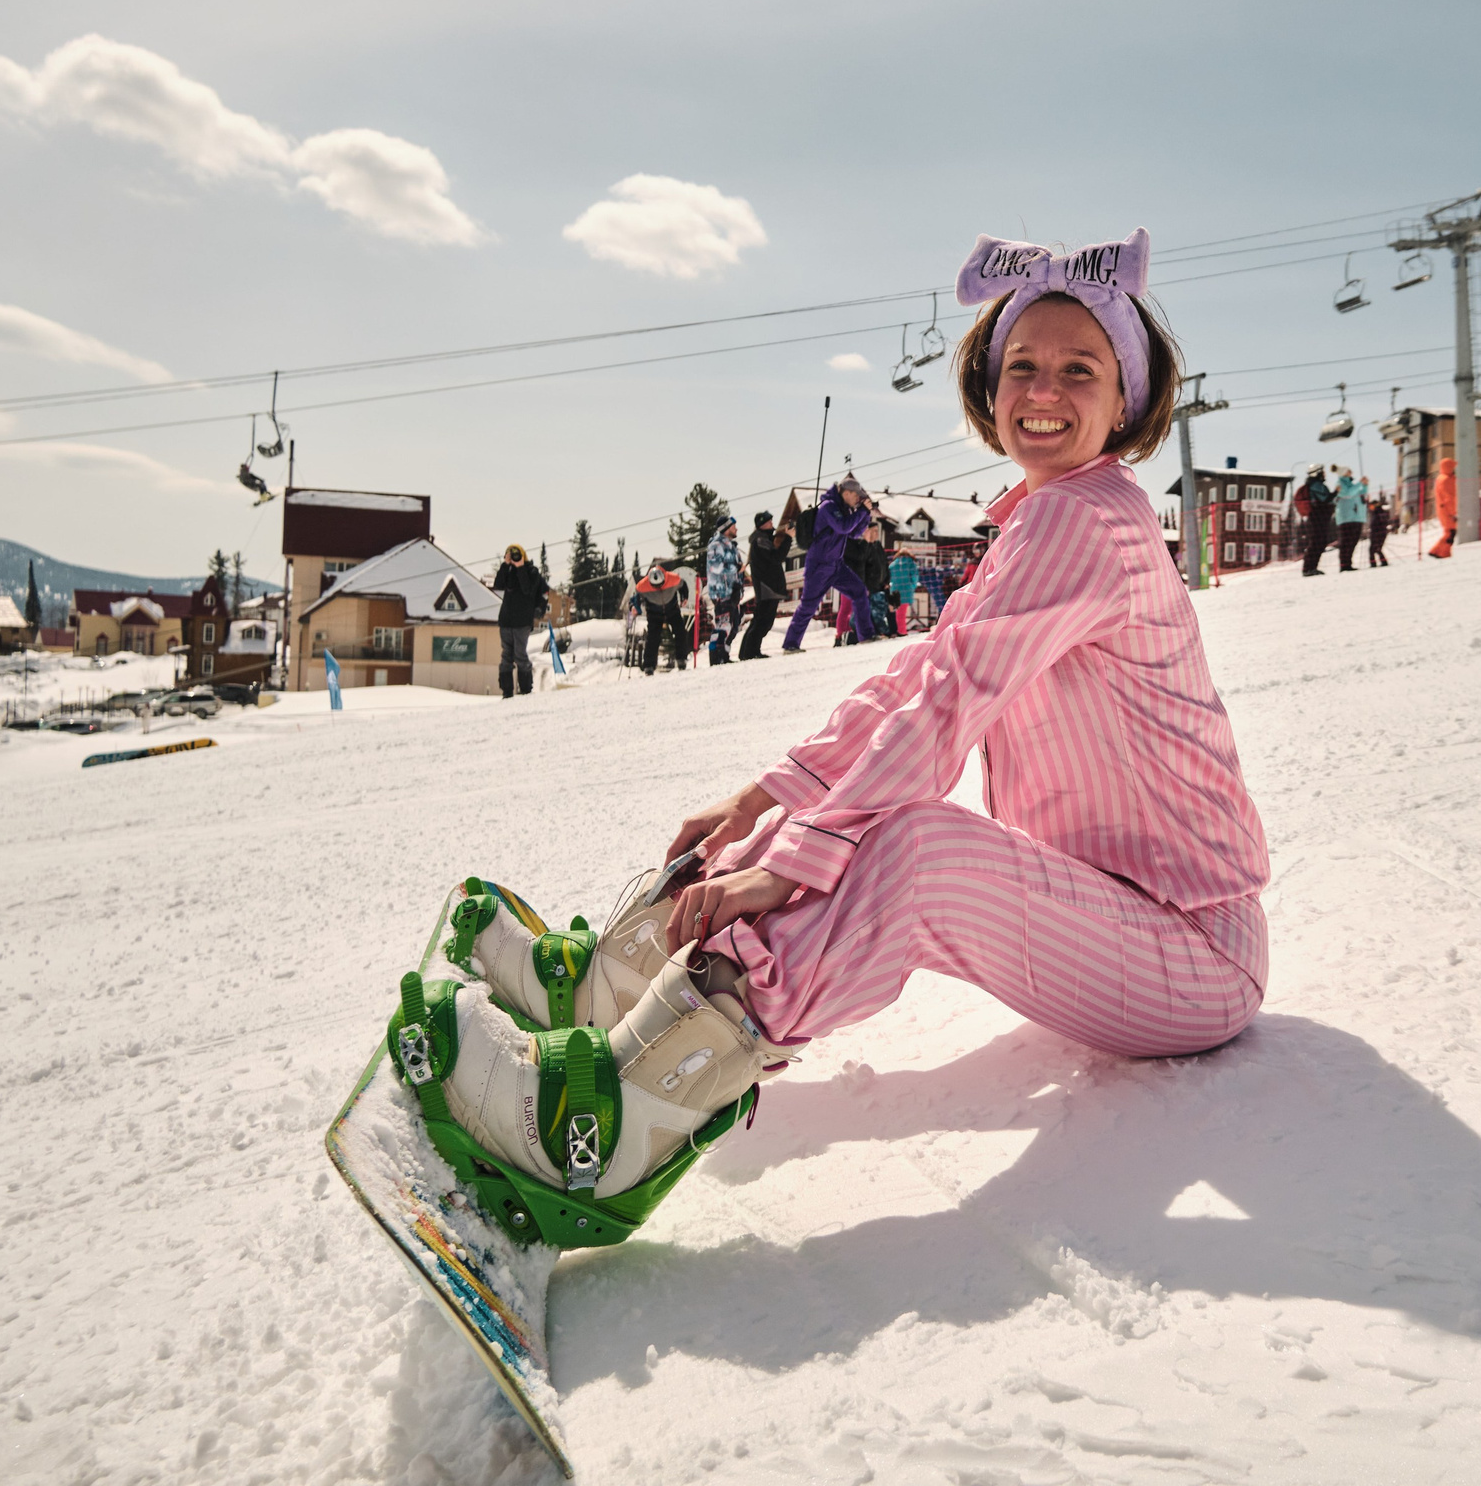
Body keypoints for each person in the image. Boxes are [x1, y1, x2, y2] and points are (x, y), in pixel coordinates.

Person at [401, 228, 1269, 1218]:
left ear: (1129, 401)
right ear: (987, 385)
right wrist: (770, 797)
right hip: (1112, 914)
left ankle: (610, 1130)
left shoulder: (1086, 522)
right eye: (1021, 365)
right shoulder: (1043, 516)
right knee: (818, 820)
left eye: (1081, 370)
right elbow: (918, 676)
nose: (1043, 390)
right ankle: (607, 997)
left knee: (904, 848)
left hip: (1190, 952)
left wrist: (804, 851)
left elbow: (953, 700)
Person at [781, 478, 878, 653]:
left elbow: (854, 533)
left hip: (836, 564)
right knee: (808, 605)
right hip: (819, 565)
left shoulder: (844, 509)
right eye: (857, 496)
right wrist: (861, 510)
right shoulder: (829, 507)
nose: (858, 499)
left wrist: (865, 514)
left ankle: (866, 636)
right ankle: (790, 644)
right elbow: (843, 527)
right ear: (846, 492)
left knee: (859, 591)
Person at [489, 543, 548, 698]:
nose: (514, 557)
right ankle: (507, 692)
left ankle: (526, 690)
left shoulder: (532, 571)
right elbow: (498, 585)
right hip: (506, 620)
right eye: (510, 554)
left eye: (516, 554)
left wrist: (521, 567)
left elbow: (527, 589)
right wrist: (505, 564)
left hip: (522, 621)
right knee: (506, 655)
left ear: (523, 555)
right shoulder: (507, 571)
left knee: (520, 654)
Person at [739, 511, 789, 660]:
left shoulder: (763, 539)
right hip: (767, 587)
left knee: (761, 620)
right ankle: (750, 653)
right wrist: (788, 539)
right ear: (763, 524)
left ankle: (749, 652)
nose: (772, 524)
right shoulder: (761, 541)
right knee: (762, 621)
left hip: (767, 587)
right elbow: (776, 557)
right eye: (769, 522)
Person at [631, 560, 690, 674]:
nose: (658, 588)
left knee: (680, 631)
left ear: (664, 579)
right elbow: (635, 599)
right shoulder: (643, 585)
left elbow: (683, 586)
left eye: (660, 585)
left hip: (672, 609)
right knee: (653, 637)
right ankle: (649, 665)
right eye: (655, 586)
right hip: (654, 613)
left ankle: (681, 659)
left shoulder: (673, 579)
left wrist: (684, 597)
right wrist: (634, 608)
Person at [704, 515, 744, 665]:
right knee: (724, 624)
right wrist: (736, 567)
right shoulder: (716, 545)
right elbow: (716, 566)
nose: (736, 529)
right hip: (721, 591)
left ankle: (724, 654)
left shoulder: (731, 545)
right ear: (727, 528)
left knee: (734, 625)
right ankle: (716, 656)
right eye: (733, 526)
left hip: (732, 590)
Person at [1298, 467, 1334, 576]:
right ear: (1317, 473)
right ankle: (1309, 568)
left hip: (1319, 516)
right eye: (1322, 472)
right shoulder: (1316, 485)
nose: (1325, 474)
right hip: (1318, 516)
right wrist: (1336, 492)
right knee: (1317, 542)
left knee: (1320, 541)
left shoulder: (1315, 484)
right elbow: (1326, 499)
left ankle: (1311, 568)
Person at [1332, 469, 1368, 572]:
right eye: (1348, 471)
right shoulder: (1340, 484)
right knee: (1345, 542)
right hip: (1345, 518)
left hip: (1356, 517)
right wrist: (1360, 483)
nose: (1351, 473)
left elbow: (1362, 493)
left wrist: (1365, 485)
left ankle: (1348, 563)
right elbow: (1348, 493)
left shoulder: (1352, 485)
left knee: (1353, 541)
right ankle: (1344, 565)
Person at [1427, 454, 1459, 558]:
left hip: (1443, 509)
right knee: (1450, 532)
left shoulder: (1442, 478)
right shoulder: (1446, 480)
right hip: (1447, 511)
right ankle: (1436, 551)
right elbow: (1449, 498)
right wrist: (1453, 513)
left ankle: (1445, 553)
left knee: (1450, 532)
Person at [888, 548, 923, 631]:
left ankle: (897, 630)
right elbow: (915, 576)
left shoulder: (892, 564)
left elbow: (889, 577)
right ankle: (902, 631)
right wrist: (913, 586)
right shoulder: (911, 563)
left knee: (896, 613)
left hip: (895, 589)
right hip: (907, 589)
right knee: (902, 613)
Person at [1365, 495, 1391, 567]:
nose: (1371, 508)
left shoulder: (1377, 514)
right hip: (1381, 534)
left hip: (1377, 534)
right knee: (1377, 549)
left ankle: (1374, 563)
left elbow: (1376, 525)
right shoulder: (1380, 512)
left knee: (1373, 549)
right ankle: (1383, 562)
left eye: (1372, 506)